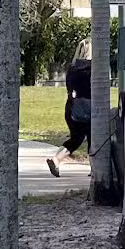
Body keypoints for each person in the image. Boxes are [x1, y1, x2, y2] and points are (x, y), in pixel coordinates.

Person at [46, 42, 91, 176]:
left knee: (76, 138)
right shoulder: (92, 69)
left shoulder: (72, 68)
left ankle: (56, 159)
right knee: (94, 138)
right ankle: (95, 168)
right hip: (88, 108)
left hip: (72, 107)